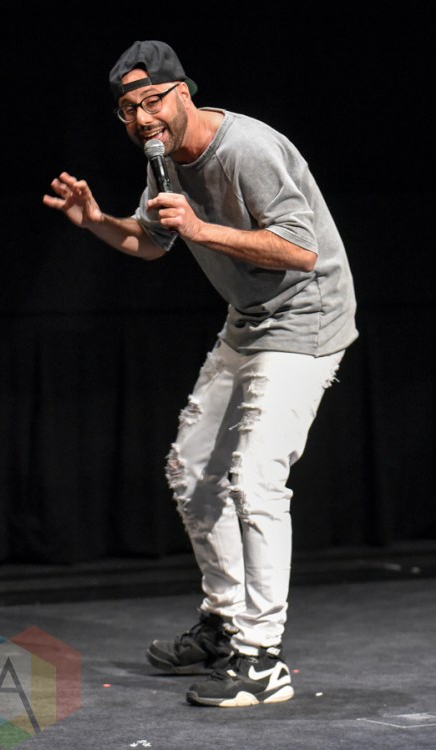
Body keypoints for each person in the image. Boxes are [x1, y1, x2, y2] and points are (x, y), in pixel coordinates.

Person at [43, 39, 358, 708]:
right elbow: (153, 241)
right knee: (190, 470)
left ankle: (261, 660)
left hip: (307, 319)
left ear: (182, 91)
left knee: (255, 479)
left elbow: (301, 251)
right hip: (248, 321)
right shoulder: (162, 160)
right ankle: (224, 622)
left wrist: (200, 228)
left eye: (151, 101)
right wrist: (96, 221)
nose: (141, 119)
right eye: (127, 110)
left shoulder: (247, 149)